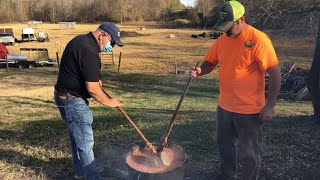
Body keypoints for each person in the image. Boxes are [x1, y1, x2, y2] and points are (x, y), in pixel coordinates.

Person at [189, 1, 281, 180]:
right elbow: (210, 63)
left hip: (249, 111)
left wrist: (269, 105)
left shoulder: (259, 40)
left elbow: (275, 73)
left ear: (241, 20)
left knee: (249, 153)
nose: (226, 31)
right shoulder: (223, 40)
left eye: (229, 26)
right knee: (224, 147)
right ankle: (227, 176)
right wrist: (200, 71)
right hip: (224, 107)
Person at [54, 22, 123, 180]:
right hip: (73, 101)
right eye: (111, 42)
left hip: (65, 96)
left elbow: (78, 71)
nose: (111, 46)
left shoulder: (80, 41)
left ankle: (80, 173)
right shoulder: (89, 51)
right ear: (102, 35)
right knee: (85, 142)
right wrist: (109, 102)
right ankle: (92, 177)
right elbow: (92, 89)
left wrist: (93, 80)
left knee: (77, 139)